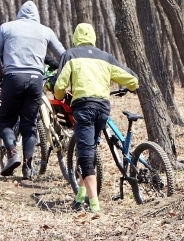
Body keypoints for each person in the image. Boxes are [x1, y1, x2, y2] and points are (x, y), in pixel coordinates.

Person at [52, 23, 138, 213]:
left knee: (84, 155)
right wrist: (132, 86)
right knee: (90, 149)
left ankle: (94, 206)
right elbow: (130, 79)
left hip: (83, 108)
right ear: (93, 36)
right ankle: (80, 196)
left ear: (75, 37)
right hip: (102, 109)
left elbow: (59, 85)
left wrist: (59, 97)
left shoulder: (70, 55)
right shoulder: (105, 56)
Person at [0, 1, 65, 178]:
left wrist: (1, 75)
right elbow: (63, 55)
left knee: (5, 120)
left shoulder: (6, 28)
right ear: (37, 15)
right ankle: (27, 166)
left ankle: (12, 152)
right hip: (36, 80)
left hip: (13, 77)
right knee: (29, 124)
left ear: (19, 13)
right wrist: (58, 75)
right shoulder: (45, 31)